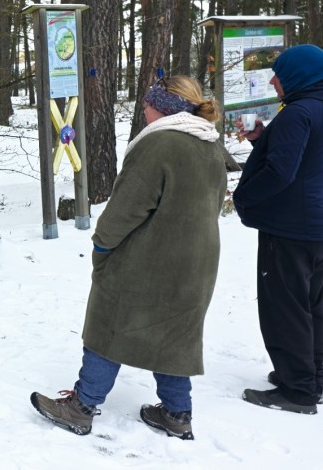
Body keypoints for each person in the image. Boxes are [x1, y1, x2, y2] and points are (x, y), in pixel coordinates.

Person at [30, 76, 226, 439]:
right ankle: (177, 413)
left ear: (164, 109)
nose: (144, 111)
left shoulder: (160, 144)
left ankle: (82, 406)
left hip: (150, 259)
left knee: (111, 322)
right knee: (174, 334)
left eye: (148, 105)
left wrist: (102, 246)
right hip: (198, 261)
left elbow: (126, 208)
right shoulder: (209, 143)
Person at [234, 44, 323, 415]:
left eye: (280, 74)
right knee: (316, 305)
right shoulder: (310, 109)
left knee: (284, 307)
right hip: (317, 228)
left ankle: (297, 390)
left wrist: (245, 198)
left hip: (290, 229)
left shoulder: (297, 114)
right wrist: (263, 136)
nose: (273, 80)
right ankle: (314, 375)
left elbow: (280, 172)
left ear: (298, 76)